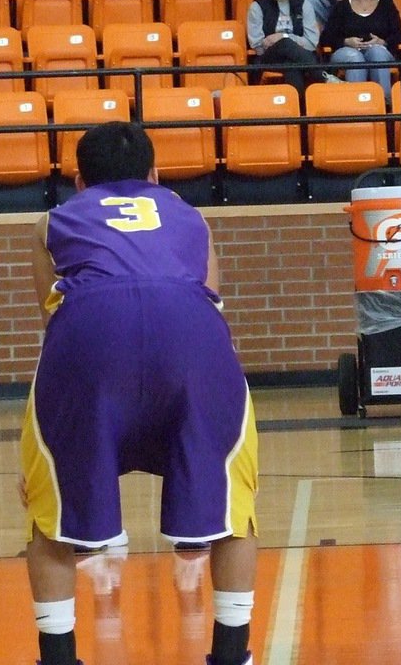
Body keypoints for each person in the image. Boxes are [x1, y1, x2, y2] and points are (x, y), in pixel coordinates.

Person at [21, 121, 259, 665]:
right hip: (192, 337)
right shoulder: (191, 216)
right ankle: (230, 654)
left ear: (79, 181)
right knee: (235, 508)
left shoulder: (51, 221)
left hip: (91, 335)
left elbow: (53, 321)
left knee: (51, 517)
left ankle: (58, 657)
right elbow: (213, 301)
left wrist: (44, 450)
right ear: (156, 176)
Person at [319, 0, 401, 98]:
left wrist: (382, 42)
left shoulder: (386, 5)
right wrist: (346, 42)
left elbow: (399, 35)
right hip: (346, 51)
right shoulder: (342, 7)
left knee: (378, 53)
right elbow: (326, 38)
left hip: (378, 50)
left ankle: (384, 104)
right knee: (355, 57)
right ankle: (356, 105)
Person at [247, 0, 324, 102]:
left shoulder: (303, 4)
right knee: (284, 44)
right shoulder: (257, 6)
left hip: (298, 58)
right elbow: (258, 46)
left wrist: (283, 36)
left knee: (291, 64)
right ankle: (323, 76)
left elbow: (312, 43)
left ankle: (296, 113)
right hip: (270, 58)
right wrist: (284, 42)